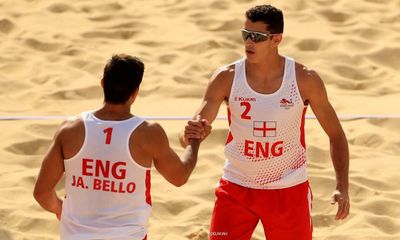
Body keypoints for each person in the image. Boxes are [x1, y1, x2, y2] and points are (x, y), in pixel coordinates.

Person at [183, 4, 350, 240]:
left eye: (257, 37)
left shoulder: (304, 79)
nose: (249, 42)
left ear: (277, 39)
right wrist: (194, 133)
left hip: (288, 189)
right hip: (236, 187)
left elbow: (336, 134)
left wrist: (342, 186)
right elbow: (191, 134)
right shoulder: (226, 77)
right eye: (245, 34)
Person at [33, 54, 209, 240]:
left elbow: (41, 192)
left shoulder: (70, 129)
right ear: (135, 93)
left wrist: (61, 209)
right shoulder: (148, 133)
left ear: (102, 84)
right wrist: (194, 142)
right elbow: (179, 177)